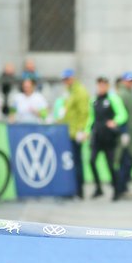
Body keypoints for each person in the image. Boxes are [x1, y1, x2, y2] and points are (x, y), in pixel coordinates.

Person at [87, 77, 128, 201]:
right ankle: (98, 187)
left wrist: (115, 122)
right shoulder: (94, 100)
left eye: (104, 85)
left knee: (110, 165)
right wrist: (87, 131)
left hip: (109, 138)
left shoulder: (113, 99)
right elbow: (91, 118)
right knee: (92, 161)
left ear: (107, 86)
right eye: (99, 85)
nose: (101, 88)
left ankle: (116, 190)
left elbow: (123, 114)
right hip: (97, 137)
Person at [59, 68, 90, 199]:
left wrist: (81, 131)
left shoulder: (80, 92)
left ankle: (79, 190)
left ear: (72, 78)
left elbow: (84, 113)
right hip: (68, 131)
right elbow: (67, 111)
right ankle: (72, 188)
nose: (65, 81)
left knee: (77, 162)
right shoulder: (70, 91)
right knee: (71, 162)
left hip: (75, 132)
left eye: (67, 79)